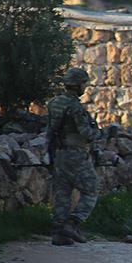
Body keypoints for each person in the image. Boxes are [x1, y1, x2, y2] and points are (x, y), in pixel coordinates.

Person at [46, 67, 102, 246]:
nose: (85, 87)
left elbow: (51, 131)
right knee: (91, 188)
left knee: (63, 192)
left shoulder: (54, 103)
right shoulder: (75, 107)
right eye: (84, 83)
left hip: (59, 153)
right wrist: (102, 133)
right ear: (77, 84)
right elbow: (85, 133)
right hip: (76, 153)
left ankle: (58, 233)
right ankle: (73, 223)